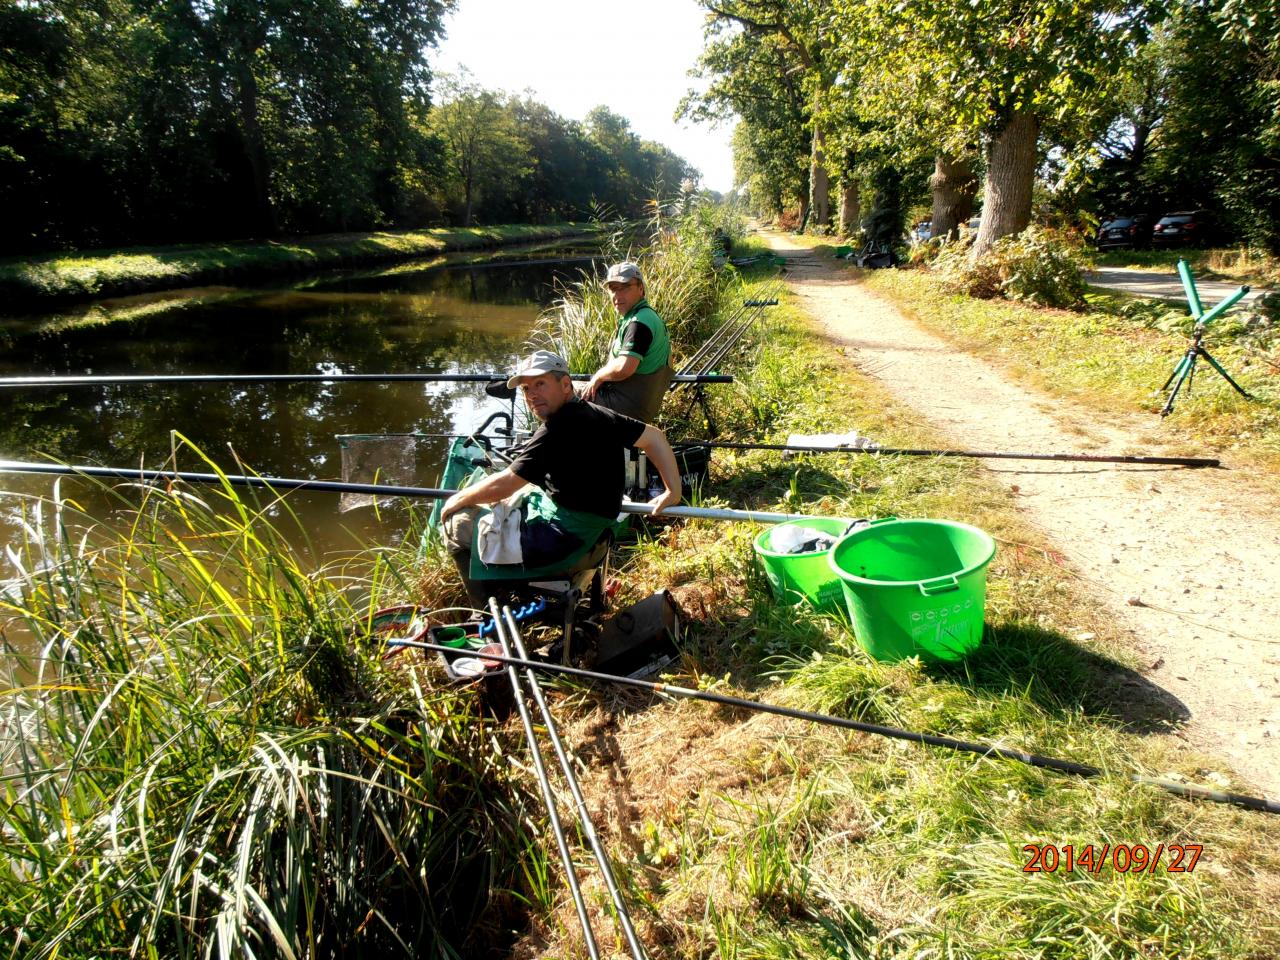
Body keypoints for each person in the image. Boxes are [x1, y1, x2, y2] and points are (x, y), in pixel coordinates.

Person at [440, 350, 681, 600]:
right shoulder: (594, 412)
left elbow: (508, 483)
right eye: (525, 389)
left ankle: (486, 614)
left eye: (540, 384)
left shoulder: (557, 427)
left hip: (565, 542)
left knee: (456, 524)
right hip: (594, 530)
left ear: (566, 384)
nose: (532, 395)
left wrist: (457, 499)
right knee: (509, 498)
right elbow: (654, 437)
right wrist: (673, 491)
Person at [582, 261, 674, 422]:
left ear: (641, 288)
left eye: (624, 287)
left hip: (628, 408)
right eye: (612, 289)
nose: (617, 295)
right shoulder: (645, 316)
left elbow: (625, 368)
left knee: (559, 395)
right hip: (637, 404)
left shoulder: (639, 322)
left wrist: (598, 376)